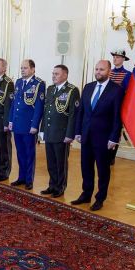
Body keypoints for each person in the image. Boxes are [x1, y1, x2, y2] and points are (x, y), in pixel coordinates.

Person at [73, 60, 124, 211]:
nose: (98, 72)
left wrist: (114, 137)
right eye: (96, 69)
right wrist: (78, 131)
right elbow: (81, 112)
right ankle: (86, 194)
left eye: (101, 69)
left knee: (103, 170)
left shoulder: (117, 90)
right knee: (86, 167)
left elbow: (117, 116)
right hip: (86, 135)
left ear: (109, 71)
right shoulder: (88, 87)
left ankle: (100, 198)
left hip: (104, 138)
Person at [39, 64, 79, 198]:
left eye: (56, 74)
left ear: (65, 75)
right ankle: (52, 185)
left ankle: (60, 187)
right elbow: (46, 111)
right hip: (49, 131)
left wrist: (70, 134)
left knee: (61, 163)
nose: (53, 76)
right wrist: (42, 129)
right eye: (53, 73)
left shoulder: (72, 90)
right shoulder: (50, 89)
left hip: (62, 133)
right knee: (51, 162)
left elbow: (73, 114)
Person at [8, 59, 45, 191]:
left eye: (25, 68)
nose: (22, 70)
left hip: (29, 125)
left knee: (29, 153)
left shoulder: (39, 84)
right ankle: (21, 177)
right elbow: (14, 103)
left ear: (32, 69)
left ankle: (29, 180)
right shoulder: (18, 82)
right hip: (17, 124)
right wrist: (11, 120)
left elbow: (39, 107)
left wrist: (35, 125)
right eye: (21, 68)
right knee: (20, 153)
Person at [108, 49, 133, 166]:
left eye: (117, 57)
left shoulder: (128, 74)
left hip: (119, 106)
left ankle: (112, 156)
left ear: (123, 59)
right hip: (106, 106)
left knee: (116, 130)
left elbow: (129, 92)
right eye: (114, 57)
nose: (115, 59)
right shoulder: (108, 72)